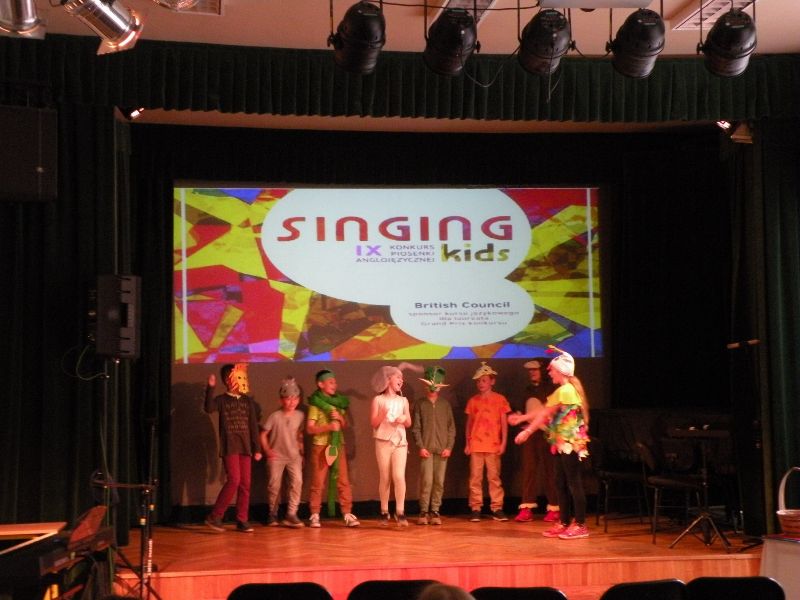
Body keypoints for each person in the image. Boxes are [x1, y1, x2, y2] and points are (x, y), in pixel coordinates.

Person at [511, 348, 590, 539]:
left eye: (552, 370)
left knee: (573, 483)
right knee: (560, 483)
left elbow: (544, 413)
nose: (550, 373)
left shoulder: (566, 391)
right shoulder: (562, 391)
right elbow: (543, 412)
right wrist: (523, 420)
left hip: (570, 444)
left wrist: (527, 430)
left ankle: (580, 524)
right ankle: (564, 521)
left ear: (561, 371)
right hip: (561, 443)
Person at [204, 363, 262, 533]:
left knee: (245, 483)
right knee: (234, 480)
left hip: (245, 447)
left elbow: (253, 426)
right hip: (230, 446)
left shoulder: (247, 401)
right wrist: (210, 388)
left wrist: (257, 448)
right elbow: (209, 408)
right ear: (229, 380)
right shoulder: (222, 400)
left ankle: (242, 520)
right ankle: (215, 516)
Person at [306, 369, 360, 528]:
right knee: (318, 482)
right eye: (330, 382)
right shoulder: (316, 404)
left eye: (335, 382)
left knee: (343, 480)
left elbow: (345, 425)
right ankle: (315, 514)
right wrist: (328, 427)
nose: (334, 385)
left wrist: (340, 418)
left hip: (337, 445)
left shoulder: (338, 402)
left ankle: (347, 513)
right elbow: (310, 428)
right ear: (320, 384)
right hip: (320, 446)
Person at [511, 359, 559, 523]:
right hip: (531, 436)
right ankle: (526, 508)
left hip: (547, 435)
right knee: (529, 471)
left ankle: (554, 508)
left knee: (550, 472)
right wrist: (517, 417)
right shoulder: (527, 390)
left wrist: (523, 418)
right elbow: (521, 410)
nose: (531, 372)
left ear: (542, 370)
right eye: (529, 370)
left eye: (535, 369)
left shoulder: (552, 389)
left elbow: (545, 412)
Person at [464, 362, 511, 522]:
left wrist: (503, 443)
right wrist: (468, 443)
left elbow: (504, 423)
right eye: (478, 381)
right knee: (475, 478)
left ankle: (497, 507)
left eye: (484, 380)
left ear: (492, 381)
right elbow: (469, 424)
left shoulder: (500, 400)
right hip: (476, 445)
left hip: (493, 445)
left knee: (494, 478)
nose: (481, 383)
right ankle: (476, 507)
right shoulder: (473, 401)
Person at [411, 366, 455, 526]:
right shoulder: (420, 404)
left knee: (439, 482)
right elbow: (416, 428)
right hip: (427, 449)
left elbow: (451, 428)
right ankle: (424, 510)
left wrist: (448, 447)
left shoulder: (445, 405)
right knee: (427, 481)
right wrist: (421, 446)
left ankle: (435, 510)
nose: (432, 388)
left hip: (442, 449)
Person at [260, 376, 305, 528]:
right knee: (274, 485)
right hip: (277, 456)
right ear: (281, 400)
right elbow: (263, 434)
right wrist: (267, 450)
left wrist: (302, 452)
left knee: (297, 482)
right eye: (288, 398)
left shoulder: (300, 416)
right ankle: (272, 514)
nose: (291, 402)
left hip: (294, 456)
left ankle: (291, 513)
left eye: (295, 398)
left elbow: (300, 435)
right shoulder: (275, 416)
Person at [370, 365, 412, 526]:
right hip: (383, 441)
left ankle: (400, 511)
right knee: (385, 476)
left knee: (399, 476)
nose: (401, 380)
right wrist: (381, 415)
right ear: (388, 379)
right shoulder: (378, 400)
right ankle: (384, 510)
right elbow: (373, 423)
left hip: (400, 442)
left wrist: (403, 419)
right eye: (398, 377)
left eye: (402, 378)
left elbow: (408, 422)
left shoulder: (403, 400)